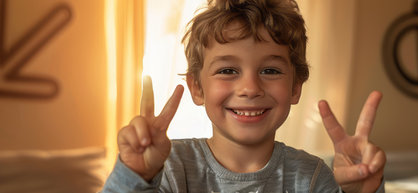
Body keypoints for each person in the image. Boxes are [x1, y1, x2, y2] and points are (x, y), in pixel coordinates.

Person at [102, 0, 386, 192]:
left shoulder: (311, 178)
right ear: (197, 88)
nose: (250, 88)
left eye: (271, 70)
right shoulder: (168, 170)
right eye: (227, 70)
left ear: (295, 87)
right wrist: (134, 177)